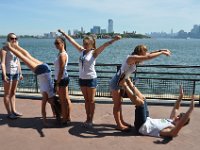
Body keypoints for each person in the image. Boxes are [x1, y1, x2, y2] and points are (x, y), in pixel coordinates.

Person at [58, 29, 121, 127]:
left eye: (87, 43)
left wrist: (114, 39)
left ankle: (91, 120)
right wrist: (64, 33)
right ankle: (87, 118)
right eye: (84, 43)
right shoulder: (81, 51)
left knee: (91, 101)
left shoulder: (94, 53)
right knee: (86, 100)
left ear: (92, 44)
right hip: (82, 79)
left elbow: (105, 45)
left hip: (91, 79)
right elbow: (72, 41)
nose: (85, 45)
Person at [109, 45, 171, 131]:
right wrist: (162, 53)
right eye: (144, 52)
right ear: (140, 52)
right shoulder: (132, 58)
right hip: (116, 82)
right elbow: (148, 56)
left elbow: (149, 54)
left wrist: (161, 49)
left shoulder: (136, 58)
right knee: (117, 105)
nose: (145, 53)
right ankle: (119, 125)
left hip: (123, 81)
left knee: (120, 103)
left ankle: (122, 122)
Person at [5, 41, 58, 126]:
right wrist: (45, 122)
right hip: (41, 71)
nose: (51, 103)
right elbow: (43, 109)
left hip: (47, 69)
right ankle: (10, 47)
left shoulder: (53, 94)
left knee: (28, 56)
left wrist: (54, 114)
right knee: (23, 58)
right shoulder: (46, 95)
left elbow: (53, 105)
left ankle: (16, 47)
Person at [119, 80, 194, 138]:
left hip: (141, 126)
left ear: (181, 125)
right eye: (179, 116)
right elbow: (176, 108)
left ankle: (124, 85)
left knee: (140, 104)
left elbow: (177, 128)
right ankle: (128, 81)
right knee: (144, 99)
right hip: (147, 119)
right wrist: (181, 96)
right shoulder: (172, 120)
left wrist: (190, 110)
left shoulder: (171, 130)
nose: (177, 117)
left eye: (179, 119)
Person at [0, 33, 23, 119]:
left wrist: (20, 73)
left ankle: (14, 110)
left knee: (13, 93)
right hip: (8, 73)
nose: (14, 40)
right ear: (8, 39)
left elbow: (18, 61)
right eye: (12, 38)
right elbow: (2, 63)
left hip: (16, 73)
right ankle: (9, 113)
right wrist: (4, 74)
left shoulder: (15, 49)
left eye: (15, 38)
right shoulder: (4, 49)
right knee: (7, 94)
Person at [54, 36, 72, 125]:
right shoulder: (61, 53)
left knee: (63, 100)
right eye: (55, 43)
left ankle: (65, 119)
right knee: (66, 99)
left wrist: (57, 83)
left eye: (57, 43)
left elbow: (61, 70)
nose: (55, 45)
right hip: (63, 78)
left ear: (62, 44)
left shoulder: (62, 55)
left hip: (61, 79)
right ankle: (67, 117)